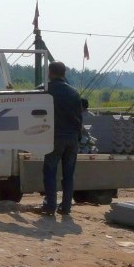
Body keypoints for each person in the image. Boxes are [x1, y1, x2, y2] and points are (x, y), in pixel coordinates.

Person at [41, 61, 83, 216]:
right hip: (72, 138)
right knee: (68, 175)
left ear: (50, 73)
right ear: (64, 73)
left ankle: (50, 206)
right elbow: (79, 117)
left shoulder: (46, 91)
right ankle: (66, 208)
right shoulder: (74, 92)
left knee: (50, 172)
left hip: (55, 137)